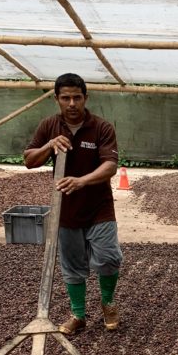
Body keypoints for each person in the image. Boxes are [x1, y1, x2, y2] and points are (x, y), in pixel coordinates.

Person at [24, 73, 122, 334]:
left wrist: (82, 181)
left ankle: (108, 303)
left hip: (99, 207)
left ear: (85, 98)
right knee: (72, 264)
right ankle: (78, 315)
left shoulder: (101, 128)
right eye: (65, 98)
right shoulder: (49, 126)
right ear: (56, 99)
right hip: (65, 209)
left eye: (76, 97)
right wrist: (49, 145)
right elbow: (29, 160)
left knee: (108, 258)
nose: (71, 103)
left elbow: (110, 166)